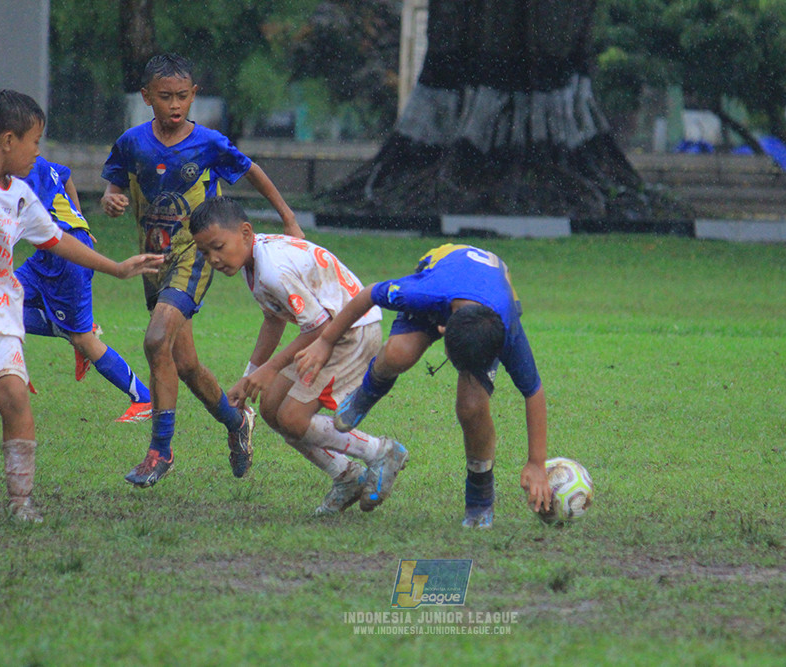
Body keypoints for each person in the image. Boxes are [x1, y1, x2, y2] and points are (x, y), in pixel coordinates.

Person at [0, 90, 162, 522]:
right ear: (7, 141)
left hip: (0, 315)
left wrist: (116, 268)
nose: (38, 152)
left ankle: (22, 504)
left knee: (15, 397)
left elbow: (57, 238)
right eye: (34, 141)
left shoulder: (20, 195)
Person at [100, 53, 304, 488]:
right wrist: (111, 197)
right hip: (151, 259)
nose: (175, 105)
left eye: (182, 97)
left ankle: (160, 451)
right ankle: (236, 422)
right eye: (165, 97)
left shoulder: (207, 142)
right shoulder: (133, 142)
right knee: (187, 366)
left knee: (156, 339)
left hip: (192, 255)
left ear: (193, 95)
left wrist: (287, 217)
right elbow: (115, 180)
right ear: (147, 98)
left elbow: (252, 172)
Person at [295, 243, 552, 529]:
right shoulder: (422, 293)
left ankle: (480, 496)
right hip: (443, 273)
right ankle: (367, 394)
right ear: (443, 328)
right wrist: (326, 341)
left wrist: (537, 464)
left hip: (489, 297)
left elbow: (533, 391)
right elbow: (368, 294)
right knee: (398, 353)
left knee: (472, 405)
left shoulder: (506, 328)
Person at [189, 197, 408, 514]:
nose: (213, 258)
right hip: (331, 331)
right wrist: (251, 374)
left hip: (352, 333)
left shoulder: (272, 270)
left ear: (246, 232)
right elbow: (274, 319)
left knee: (292, 418)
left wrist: (270, 368)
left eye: (217, 247)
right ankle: (347, 476)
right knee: (272, 408)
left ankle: (381, 452)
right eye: (204, 252)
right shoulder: (254, 260)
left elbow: (321, 327)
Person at [16, 155, 152, 423]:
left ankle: (144, 399)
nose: (35, 148)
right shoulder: (29, 163)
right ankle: (70, 330)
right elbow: (65, 176)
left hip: (66, 254)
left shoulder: (25, 169)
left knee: (82, 339)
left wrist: (78, 227)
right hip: (47, 253)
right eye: (33, 140)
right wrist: (78, 219)